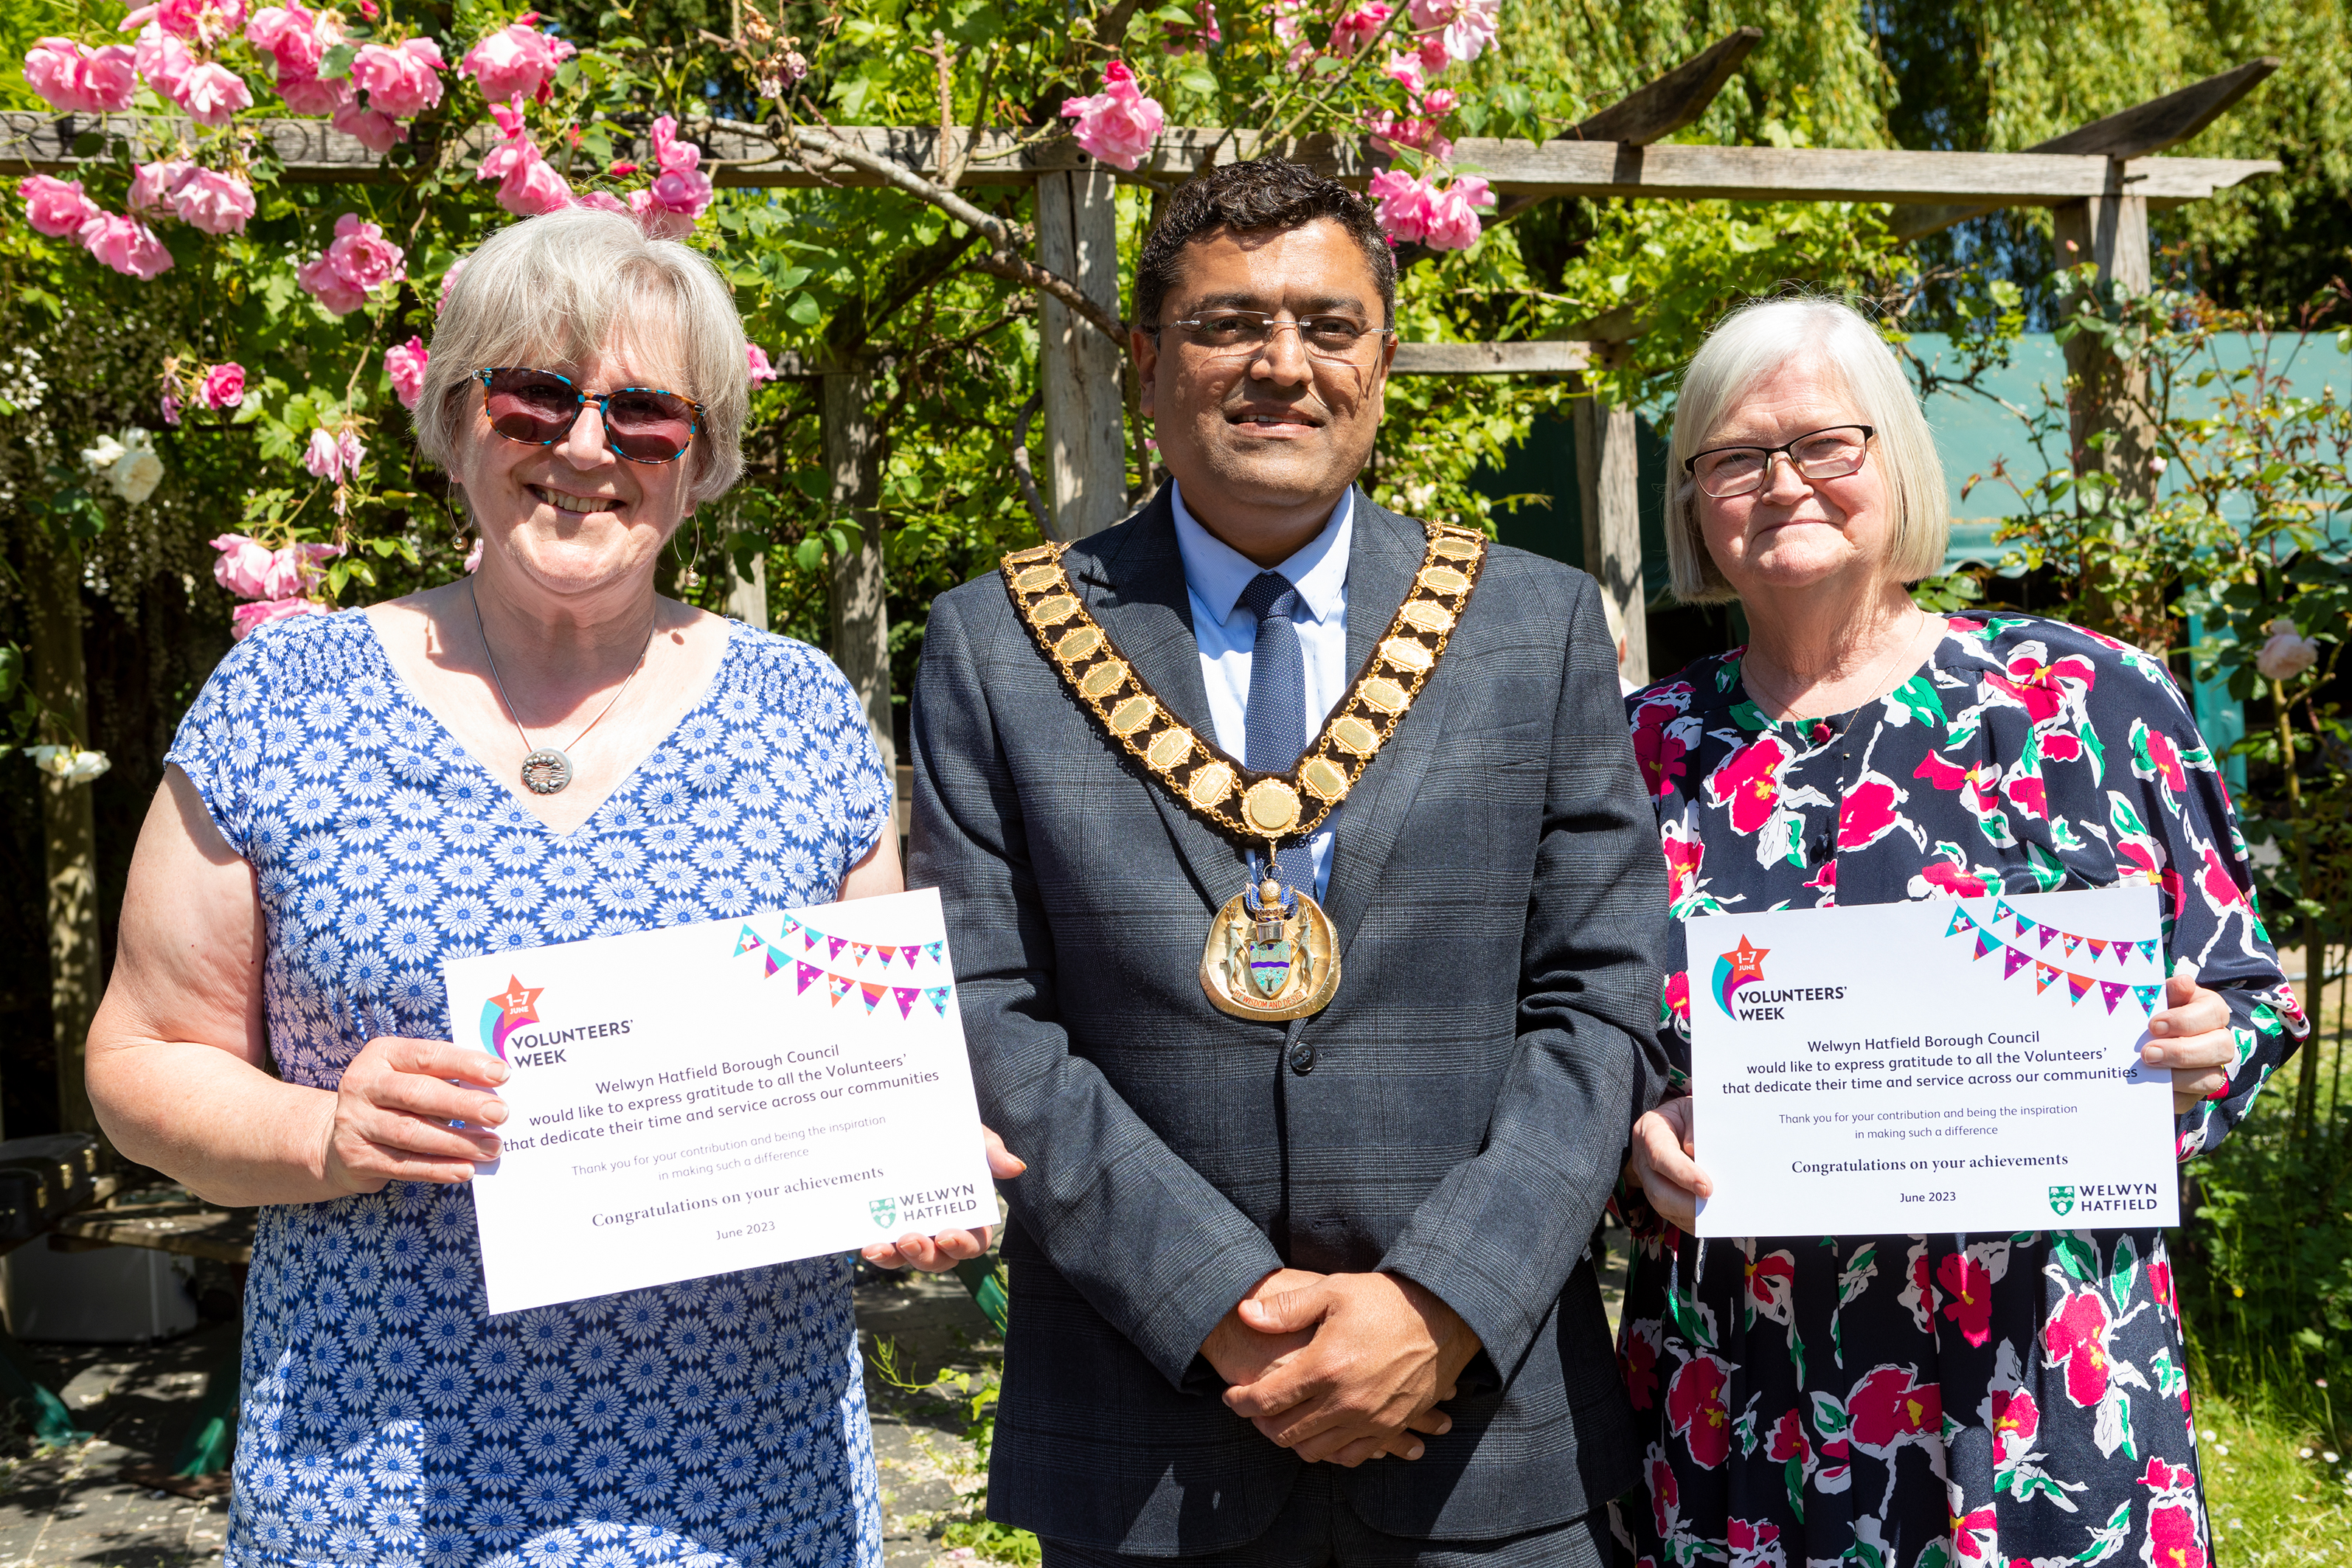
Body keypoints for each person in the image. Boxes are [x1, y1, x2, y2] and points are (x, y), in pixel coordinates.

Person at [86, 204, 1012, 1568]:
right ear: (461, 424)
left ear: (698, 464)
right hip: (381, 1488)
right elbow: (143, 1059)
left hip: (746, 1492)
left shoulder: (800, 708)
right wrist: (321, 1133)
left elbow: (885, 1068)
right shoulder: (286, 697)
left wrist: (915, 1172)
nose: (585, 447)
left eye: (645, 415)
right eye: (536, 398)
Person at [908, 156, 1669, 1565]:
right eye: (1225, 325)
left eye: (1327, 325)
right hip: (1149, 1439)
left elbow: (1607, 993)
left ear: (1381, 357)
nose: (1281, 366)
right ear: (1146, 362)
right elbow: (984, 1013)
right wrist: (1218, 1304)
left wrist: (1439, 1305)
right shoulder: (993, 644)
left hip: (1482, 1430)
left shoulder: (1534, 625)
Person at [1612, 296, 2306, 1568]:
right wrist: (1629, 1142)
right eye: (1733, 457)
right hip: (1751, 1387)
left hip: (2047, 1380)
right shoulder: (1631, 750)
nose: (1781, 484)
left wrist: (2209, 1044)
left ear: (1899, 462)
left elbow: (2253, 993)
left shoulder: (2087, 697)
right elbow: (1568, 1040)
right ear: (1691, 499)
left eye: (1826, 443)